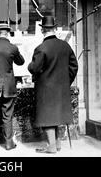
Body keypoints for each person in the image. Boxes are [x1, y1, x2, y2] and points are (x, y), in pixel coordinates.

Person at [27, 16, 78, 154]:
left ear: (42, 30)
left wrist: (29, 66)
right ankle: (57, 145)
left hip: (45, 89)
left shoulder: (41, 48)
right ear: (55, 29)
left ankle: (51, 147)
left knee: (47, 117)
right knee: (56, 116)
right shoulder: (65, 46)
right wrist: (66, 82)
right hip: (61, 89)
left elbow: (35, 68)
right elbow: (74, 66)